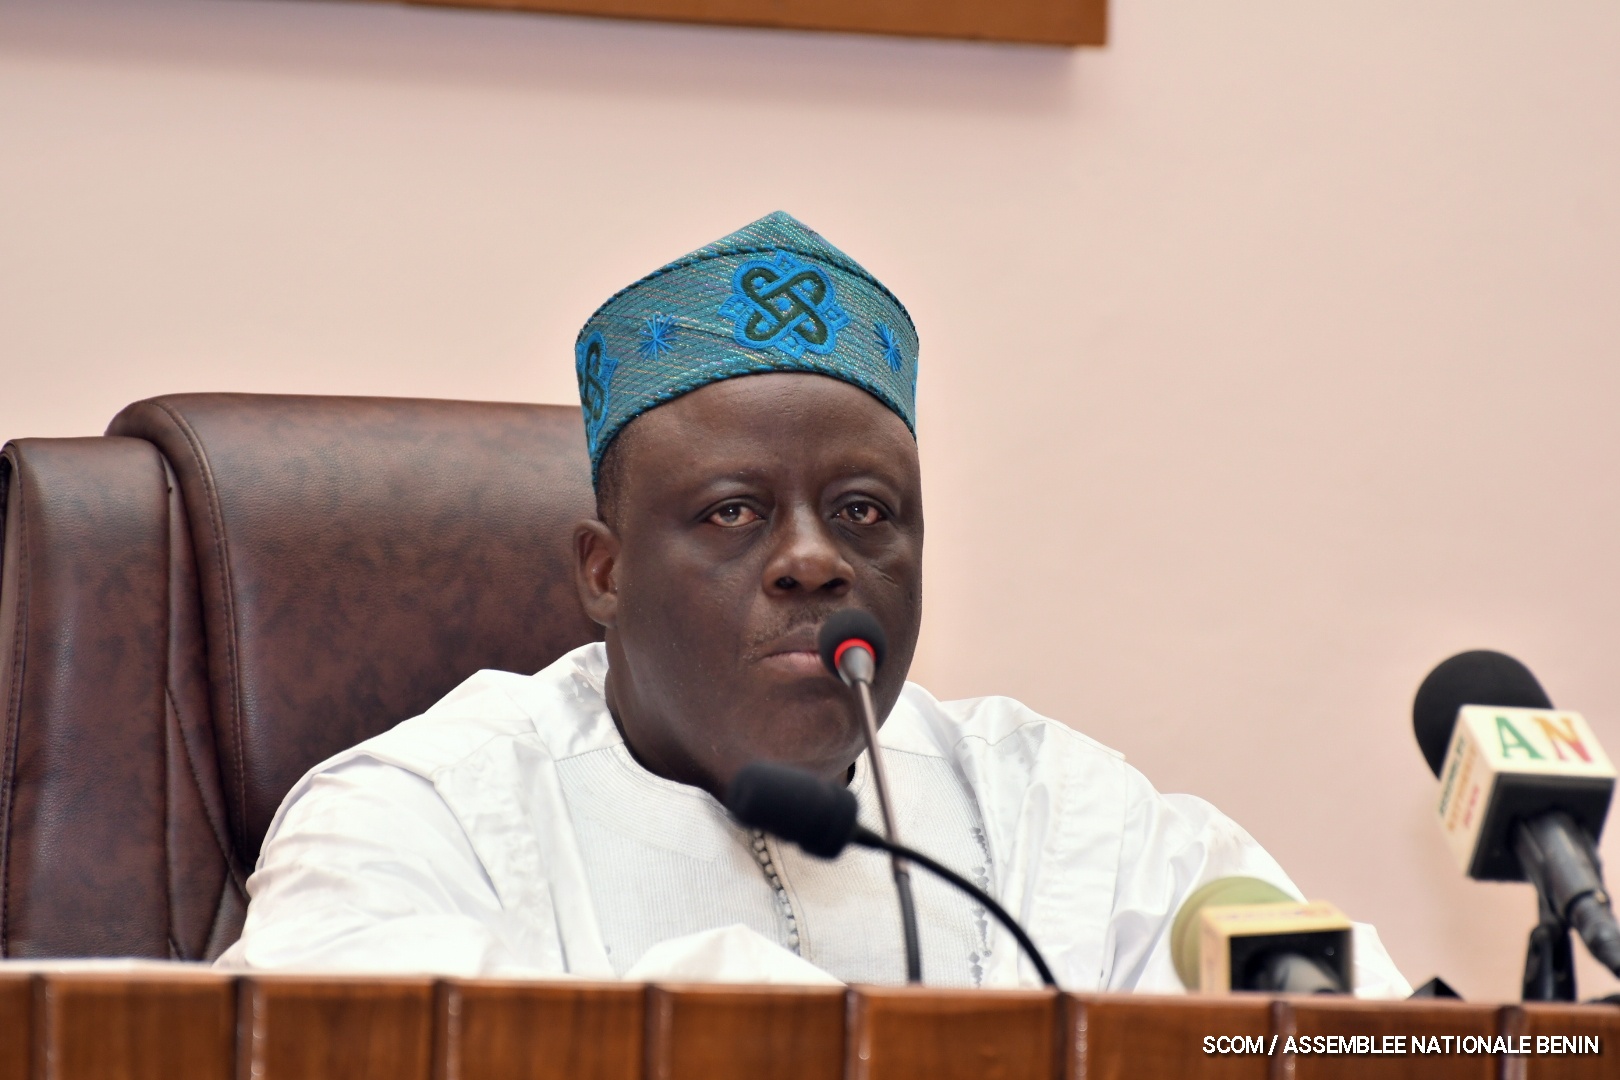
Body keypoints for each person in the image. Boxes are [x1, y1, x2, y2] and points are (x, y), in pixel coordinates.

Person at [218, 212, 1408, 994]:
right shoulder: (421, 818)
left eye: (864, 512)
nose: (812, 562)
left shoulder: (1061, 815)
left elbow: (1358, 1034)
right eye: (734, 512)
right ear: (605, 571)